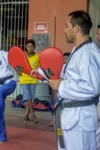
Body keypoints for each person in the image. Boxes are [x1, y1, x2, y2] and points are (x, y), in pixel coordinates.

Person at [32, 10, 100, 150]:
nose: (64, 30)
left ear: (76, 28)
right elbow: (73, 78)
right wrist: (45, 75)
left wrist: (61, 85)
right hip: (73, 116)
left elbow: (91, 87)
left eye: (66, 26)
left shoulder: (87, 54)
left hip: (80, 118)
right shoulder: (79, 51)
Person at [19, 39, 39, 123]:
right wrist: (18, 71)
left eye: (31, 46)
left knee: (30, 98)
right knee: (28, 97)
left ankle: (26, 115)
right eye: (28, 46)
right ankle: (33, 115)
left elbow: (40, 67)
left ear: (34, 47)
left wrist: (37, 70)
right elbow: (17, 65)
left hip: (33, 79)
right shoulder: (22, 55)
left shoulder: (38, 56)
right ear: (26, 47)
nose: (30, 48)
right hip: (24, 79)